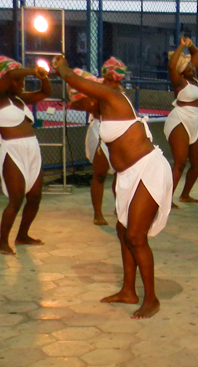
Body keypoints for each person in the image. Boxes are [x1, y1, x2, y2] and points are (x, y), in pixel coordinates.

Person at [54, 54, 173, 319]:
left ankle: (151, 299)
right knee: (123, 230)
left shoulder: (113, 99)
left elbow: (75, 80)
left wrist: (61, 67)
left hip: (148, 169)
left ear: (93, 94)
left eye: (83, 101)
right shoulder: (104, 109)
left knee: (135, 236)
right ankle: (128, 291)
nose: (83, 107)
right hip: (129, 174)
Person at [0, 56, 51, 255]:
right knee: (16, 199)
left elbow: (46, 92)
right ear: (6, 80)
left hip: (32, 149)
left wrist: (43, 76)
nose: (22, 84)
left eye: (23, 81)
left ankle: (22, 235)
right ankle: (2, 242)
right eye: (19, 81)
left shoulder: (21, 100)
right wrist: (33, 70)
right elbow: (13, 74)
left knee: (35, 196)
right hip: (13, 150)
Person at [68, 66, 114, 225]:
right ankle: (98, 213)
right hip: (99, 129)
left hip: (119, 129)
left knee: (122, 172)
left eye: (113, 77)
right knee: (100, 173)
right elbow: (77, 104)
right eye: (108, 77)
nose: (111, 80)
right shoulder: (94, 88)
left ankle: (120, 207)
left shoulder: (117, 90)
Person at [166, 37, 198, 205]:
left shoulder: (193, 79)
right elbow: (170, 66)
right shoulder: (179, 82)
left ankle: (185, 195)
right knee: (180, 163)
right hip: (180, 120)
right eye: (189, 68)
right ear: (182, 72)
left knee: (197, 162)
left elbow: (195, 53)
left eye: (192, 67)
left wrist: (189, 45)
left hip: (194, 122)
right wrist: (181, 46)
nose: (193, 69)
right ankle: (166, 199)